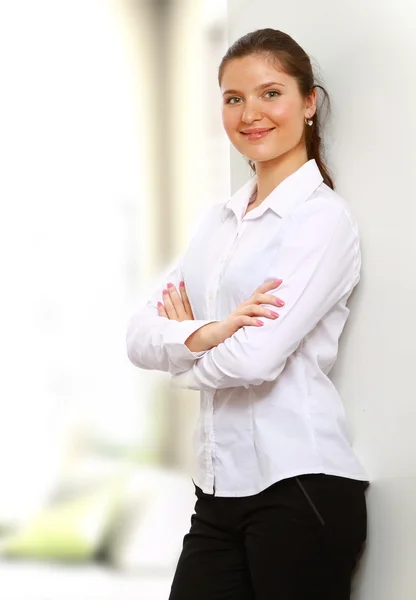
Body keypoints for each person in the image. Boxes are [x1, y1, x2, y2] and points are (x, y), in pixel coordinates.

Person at [126, 28, 368, 600]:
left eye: (269, 93)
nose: (249, 114)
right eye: (233, 98)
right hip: (216, 493)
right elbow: (138, 336)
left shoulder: (320, 221)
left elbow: (256, 357)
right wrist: (213, 330)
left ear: (309, 103)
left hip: (300, 488)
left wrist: (183, 357)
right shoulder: (217, 222)